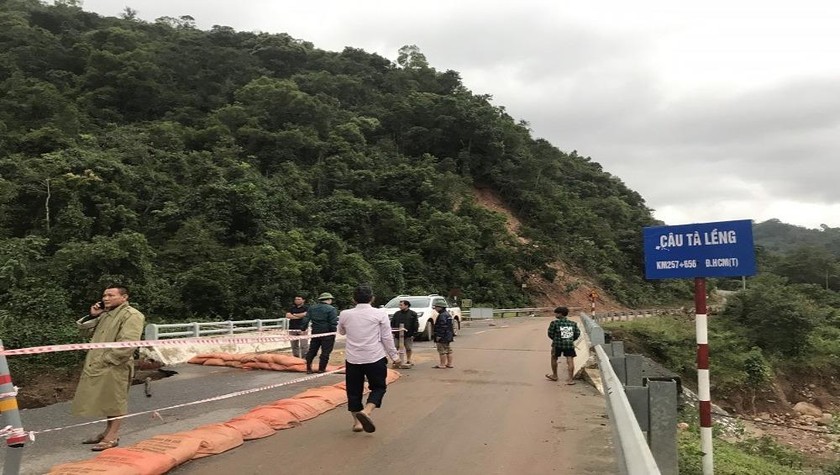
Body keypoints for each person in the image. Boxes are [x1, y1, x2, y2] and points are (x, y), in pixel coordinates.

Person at [72, 285, 145, 451]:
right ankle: (107, 431)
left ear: (124, 297)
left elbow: (128, 344)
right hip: (98, 364)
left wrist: (108, 359)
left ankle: (112, 436)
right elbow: (85, 333)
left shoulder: (132, 315)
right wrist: (93, 315)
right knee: (107, 401)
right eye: (104, 295)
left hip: (115, 366)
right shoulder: (105, 314)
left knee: (116, 401)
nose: (106, 298)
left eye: (111, 295)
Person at [337, 284, 400, 433]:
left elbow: (341, 331)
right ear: (372, 298)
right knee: (378, 387)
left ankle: (357, 423)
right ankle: (367, 411)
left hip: (353, 359)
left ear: (354, 299)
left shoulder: (345, 314)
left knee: (353, 391)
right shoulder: (380, 314)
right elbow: (386, 337)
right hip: (374, 357)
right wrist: (395, 356)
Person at [300, 292, 338, 374]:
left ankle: (308, 368)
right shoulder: (331, 309)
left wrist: (303, 328)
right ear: (329, 300)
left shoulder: (312, 308)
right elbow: (333, 322)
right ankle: (321, 369)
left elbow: (306, 319)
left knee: (312, 350)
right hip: (327, 333)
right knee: (325, 352)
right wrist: (333, 332)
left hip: (315, 332)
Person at [546, 306, 581, 385]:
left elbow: (550, 333)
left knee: (554, 358)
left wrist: (555, 339)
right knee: (570, 360)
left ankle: (555, 375)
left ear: (560, 314)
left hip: (557, 344)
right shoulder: (573, 324)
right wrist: (570, 340)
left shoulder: (554, 323)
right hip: (569, 344)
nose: (555, 314)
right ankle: (570, 379)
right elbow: (577, 334)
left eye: (557, 313)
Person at [390, 300, 419, 367]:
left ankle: (408, 360)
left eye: (401, 305)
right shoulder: (397, 314)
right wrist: (393, 331)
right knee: (395, 348)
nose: (400, 306)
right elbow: (393, 323)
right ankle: (396, 360)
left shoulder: (413, 314)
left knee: (408, 348)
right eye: (399, 305)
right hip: (397, 335)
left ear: (406, 305)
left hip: (408, 335)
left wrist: (414, 333)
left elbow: (415, 324)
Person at [432, 303, 454, 369]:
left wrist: (439, 335)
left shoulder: (442, 315)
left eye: (436, 307)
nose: (435, 309)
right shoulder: (448, 314)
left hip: (443, 336)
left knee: (442, 351)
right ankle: (449, 364)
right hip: (448, 335)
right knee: (448, 350)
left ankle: (442, 364)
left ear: (440, 307)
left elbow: (442, 326)